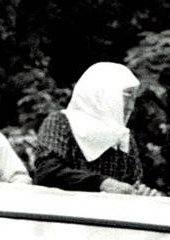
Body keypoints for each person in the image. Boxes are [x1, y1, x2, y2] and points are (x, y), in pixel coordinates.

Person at [33, 62, 157, 195]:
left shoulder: (123, 138)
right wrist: (102, 183)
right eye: (126, 97)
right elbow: (47, 174)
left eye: (134, 98)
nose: (130, 106)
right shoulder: (60, 123)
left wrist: (140, 192)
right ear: (101, 94)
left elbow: (131, 183)